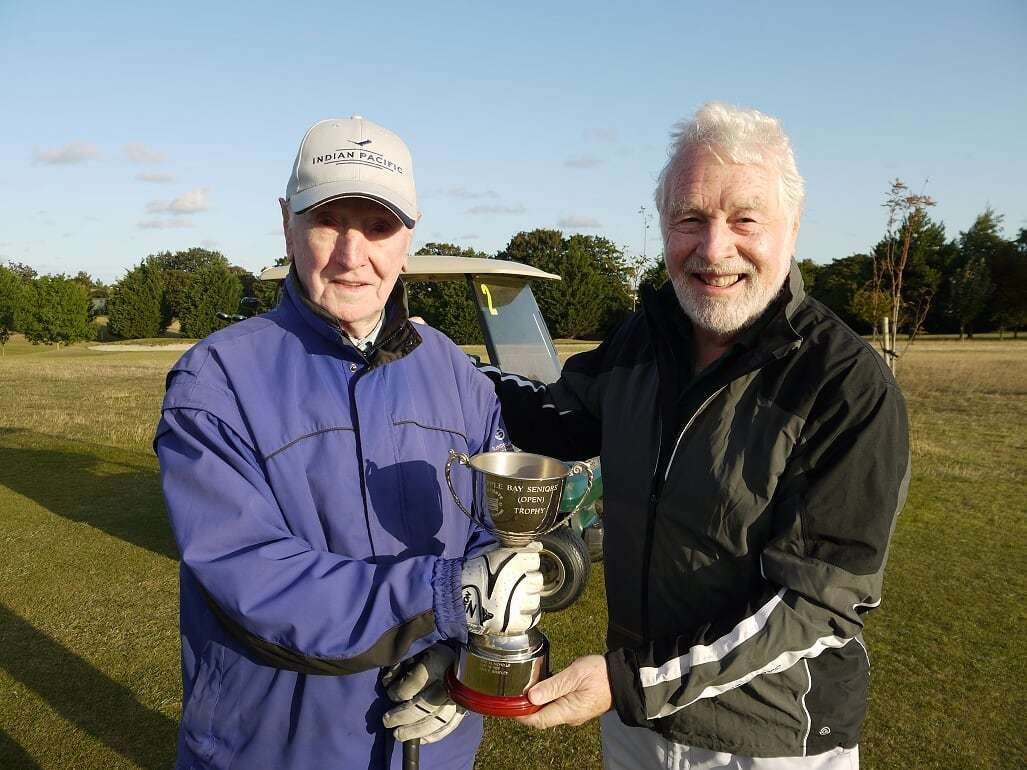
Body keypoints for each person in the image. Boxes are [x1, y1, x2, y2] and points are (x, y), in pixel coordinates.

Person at [479, 103, 910, 768]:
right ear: (663, 228)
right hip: (636, 726)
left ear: (790, 228)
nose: (714, 250)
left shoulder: (844, 384)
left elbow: (816, 602)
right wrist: (443, 370)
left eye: (744, 219)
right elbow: (555, 420)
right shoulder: (643, 339)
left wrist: (632, 680)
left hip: (763, 743)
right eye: (690, 219)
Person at [154, 115, 543, 770]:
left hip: (432, 748)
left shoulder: (454, 370)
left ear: (408, 236)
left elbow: (492, 537)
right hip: (270, 748)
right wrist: (446, 595)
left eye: (378, 225)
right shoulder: (214, 381)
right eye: (328, 219)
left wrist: (459, 656)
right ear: (287, 223)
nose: (350, 253)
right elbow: (251, 575)